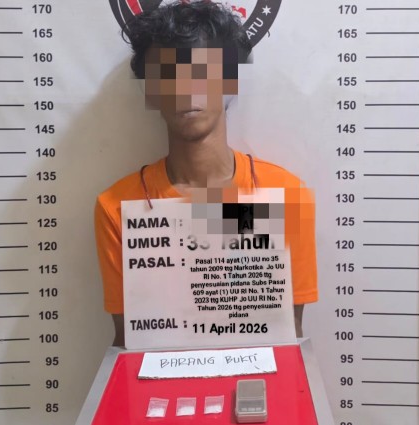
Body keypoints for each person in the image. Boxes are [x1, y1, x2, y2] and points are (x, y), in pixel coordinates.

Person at [95, 0, 318, 347]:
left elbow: (288, 334)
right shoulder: (117, 207)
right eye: (166, 75)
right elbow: (129, 342)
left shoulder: (287, 195)